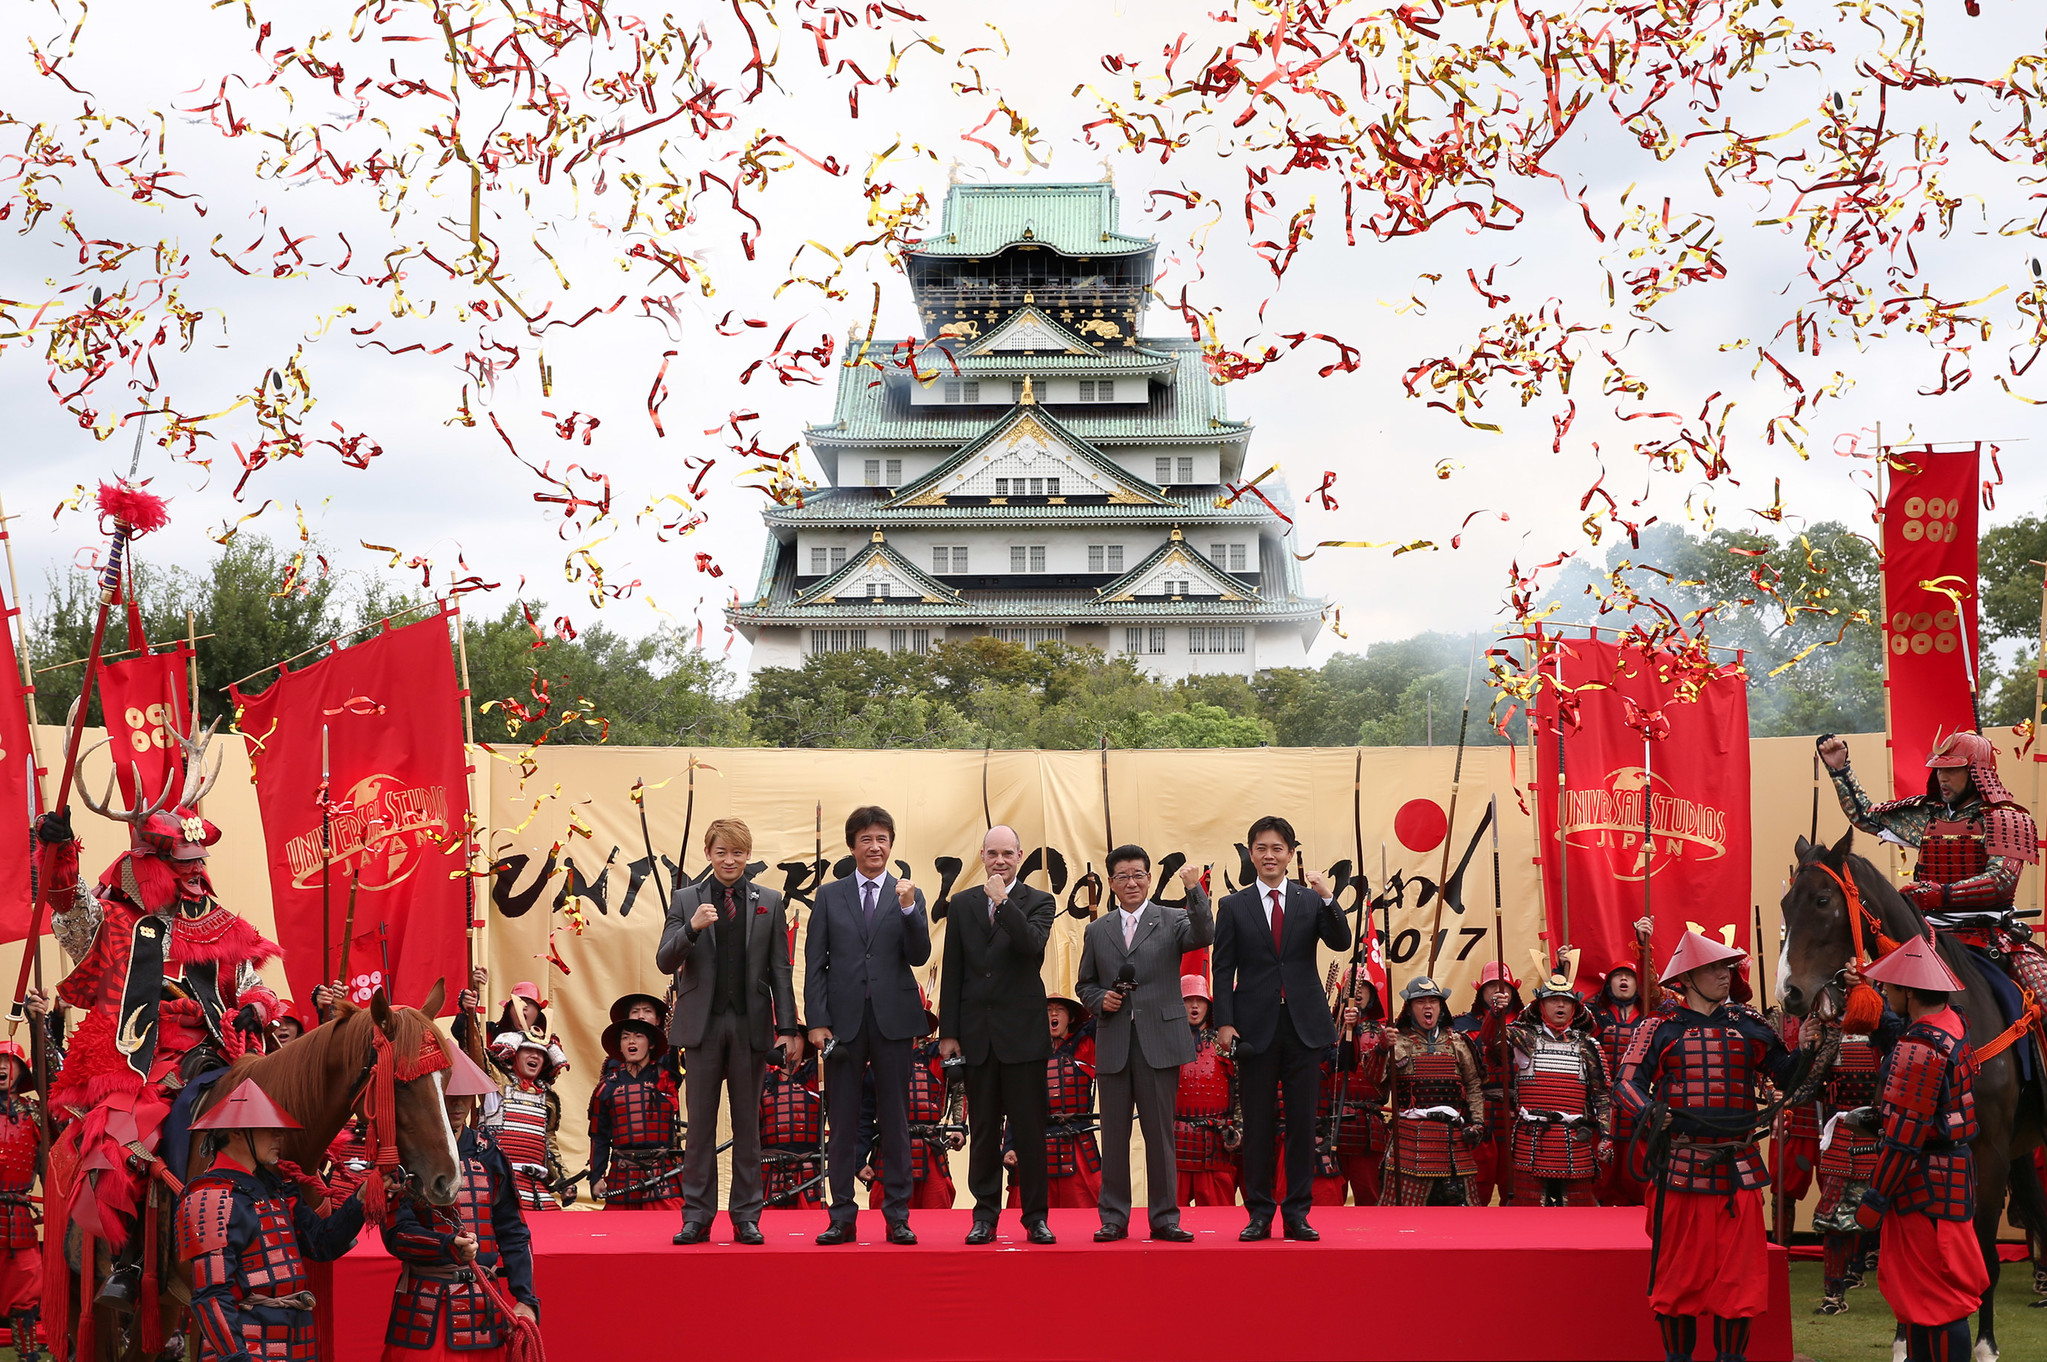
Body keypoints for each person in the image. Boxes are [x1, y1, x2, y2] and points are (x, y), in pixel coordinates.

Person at [36, 725, 285, 1298]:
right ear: (149, 865)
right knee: (121, 1140)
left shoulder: (226, 924)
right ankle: (127, 1261)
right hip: (141, 1059)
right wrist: (60, 854)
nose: (196, 874)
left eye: (200, 862)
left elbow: (255, 982)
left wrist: (256, 1006)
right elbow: (68, 913)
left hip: (222, 1053)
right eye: (183, 864)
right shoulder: (117, 919)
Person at [1616, 931, 1819, 1362]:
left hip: (1738, 1170)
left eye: (1727, 967)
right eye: (1713, 968)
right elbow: (1626, 1084)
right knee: (1677, 1279)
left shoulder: (1749, 1024)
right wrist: (1651, 1112)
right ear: (1687, 977)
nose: (1725, 975)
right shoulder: (1659, 1027)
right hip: (1680, 1169)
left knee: (1739, 1281)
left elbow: (1785, 1077)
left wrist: (1805, 1046)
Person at [655, 817, 803, 1246]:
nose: (730, 860)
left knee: (748, 1127)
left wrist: (788, 1027)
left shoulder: (769, 901)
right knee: (699, 1125)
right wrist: (692, 928)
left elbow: (781, 967)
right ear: (708, 854)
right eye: (721, 852)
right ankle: (697, 1216)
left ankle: (746, 1216)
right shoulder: (686, 899)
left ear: (748, 856)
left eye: (738, 852)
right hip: (701, 1026)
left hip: (750, 1024)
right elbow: (665, 960)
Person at [1820, 730, 2046, 1009]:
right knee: (1871, 1003)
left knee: (2043, 993)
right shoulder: (1927, 815)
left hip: (1989, 935)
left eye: (1951, 770)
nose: (1942, 778)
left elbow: (2001, 881)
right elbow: (1866, 816)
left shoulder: (2008, 817)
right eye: (1939, 769)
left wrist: (1941, 894)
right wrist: (1841, 770)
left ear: (1977, 772)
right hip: (1925, 936)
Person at [1847, 935, 1991, 1362]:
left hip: (1922, 1189)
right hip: (1948, 1178)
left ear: (1910, 991)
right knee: (1929, 1302)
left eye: (1890, 986)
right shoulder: (1954, 1022)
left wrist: (1875, 1196)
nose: (1884, 992)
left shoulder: (1920, 1045)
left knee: (1934, 1301)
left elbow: (1904, 1137)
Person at [1211, 816, 1351, 1241]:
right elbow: (1223, 969)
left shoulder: (1310, 901)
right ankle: (1258, 1212)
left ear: (1290, 853)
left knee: (1303, 1123)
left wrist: (1328, 896)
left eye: (1277, 848)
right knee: (1257, 1122)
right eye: (1260, 848)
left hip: (1304, 1026)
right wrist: (1225, 1023)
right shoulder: (1233, 906)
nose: (1268, 856)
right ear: (1250, 853)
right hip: (1253, 1029)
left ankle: (1297, 1213)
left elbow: (1341, 942)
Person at [804, 806, 931, 1246]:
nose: (874, 847)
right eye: (865, 839)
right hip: (842, 1024)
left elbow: (919, 955)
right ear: (852, 845)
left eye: (881, 839)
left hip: (894, 1021)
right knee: (840, 1121)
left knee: (896, 1119)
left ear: (891, 844)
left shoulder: (907, 893)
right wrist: (816, 1021)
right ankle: (841, 1215)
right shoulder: (830, 896)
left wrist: (911, 908)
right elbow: (814, 963)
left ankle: (897, 1214)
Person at [175, 1079, 367, 1362]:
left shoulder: (277, 1188)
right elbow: (211, 1295)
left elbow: (322, 1244)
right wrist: (235, 1357)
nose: (280, 1138)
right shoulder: (210, 1198)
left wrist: (363, 1198)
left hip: (295, 1345)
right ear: (238, 1131)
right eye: (271, 1130)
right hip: (246, 1349)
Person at [1078, 844, 1213, 1244]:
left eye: (1138, 874)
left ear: (1149, 879)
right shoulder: (1097, 930)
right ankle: (1114, 1218)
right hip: (1115, 1041)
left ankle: (1165, 1217)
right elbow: (1084, 983)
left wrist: (1196, 892)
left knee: (1159, 1134)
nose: (1131, 882)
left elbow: (1205, 933)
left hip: (1160, 1041)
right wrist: (1100, 999)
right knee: (1114, 1135)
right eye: (1122, 876)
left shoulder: (1171, 920)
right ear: (1112, 884)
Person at [938, 825, 1057, 1245]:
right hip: (976, 1035)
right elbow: (953, 970)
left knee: (1029, 1131)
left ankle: (1036, 1216)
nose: (1000, 861)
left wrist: (1003, 902)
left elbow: (1032, 946)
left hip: (1022, 1036)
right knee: (985, 1129)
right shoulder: (963, 904)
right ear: (982, 856)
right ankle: (984, 1215)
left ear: (1020, 856)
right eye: (993, 853)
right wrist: (948, 1032)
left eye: (1008, 853)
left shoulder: (1039, 901)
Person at [381, 1047, 539, 1360]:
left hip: (484, 1308)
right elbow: (398, 1233)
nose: (456, 1105)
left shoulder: (488, 1154)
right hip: (426, 1307)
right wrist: (446, 1245)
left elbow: (513, 1230)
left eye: (463, 1096)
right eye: (448, 1095)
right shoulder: (407, 1156)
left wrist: (526, 1298)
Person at [1504, 963, 1612, 1208]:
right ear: (1541, 1005)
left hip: (1575, 1139)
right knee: (1527, 1210)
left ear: (1575, 1006)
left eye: (1566, 1001)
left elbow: (1601, 1095)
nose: (1560, 1005)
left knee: (1579, 1213)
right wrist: (1496, 1014)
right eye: (1553, 1000)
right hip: (1531, 1139)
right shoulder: (1524, 1037)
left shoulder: (1587, 1045)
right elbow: (1493, 1040)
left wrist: (1606, 1136)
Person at [1381, 977, 1486, 1206]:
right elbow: (1376, 1082)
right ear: (1409, 1009)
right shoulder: (1395, 1042)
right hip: (1410, 1142)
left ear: (1441, 1007)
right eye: (1420, 1002)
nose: (1428, 1006)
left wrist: (1477, 1123)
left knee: (1465, 1217)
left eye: (1433, 1001)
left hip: (1454, 1141)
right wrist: (1381, 1050)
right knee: (1401, 1214)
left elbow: (1473, 1084)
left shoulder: (1458, 1042)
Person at [1809, 1023, 1884, 1315]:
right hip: (1842, 1134)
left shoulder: (1891, 1030)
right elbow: (1811, 1084)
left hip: (1884, 1134)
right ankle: (1833, 1295)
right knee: (1833, 1221)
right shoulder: (1832, 1033)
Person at [863, 992, 962, 1212]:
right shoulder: (875, 1059)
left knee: (937, 1221)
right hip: (888, 1149)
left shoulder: (939, 1056)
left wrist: (960, 1127)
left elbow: (960, 1087)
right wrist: (859, 1157)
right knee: (883, 1219)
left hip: (930, 1149)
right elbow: (864, 1111)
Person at [1589, 920, 1658, 1207]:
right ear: (1609, 984)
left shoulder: (1651, 1016)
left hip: (1638, 1104)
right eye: (1617, 976)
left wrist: (1644, 948)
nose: (1623, 980)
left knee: (1640, 1175)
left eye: (1629, 975)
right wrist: (1561, 972)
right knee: (1601, 1178)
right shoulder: (1594, 1017)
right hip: (1602, 1106)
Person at [587, 1008, 684, 1211]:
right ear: (619, 1047)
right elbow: (599, 1136)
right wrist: (596, 1177)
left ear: (651, 1044)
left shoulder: (666, 1078)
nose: (631, 1042)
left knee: (671, 1232)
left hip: (662, 1175)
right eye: (625, 1037)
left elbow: (678, 1055)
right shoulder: (606, 1087)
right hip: (622, 1175)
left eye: (638, 1036)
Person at [1014, 994, 1101, 1213]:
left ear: (1070, 1018)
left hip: (1077, 1143)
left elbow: (1102, 1020)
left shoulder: (1085, 1045)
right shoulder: (1025, 1052)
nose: (1052, 1014)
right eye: (1047, 1010)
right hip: (1035, 1142)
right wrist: (1009, 1145)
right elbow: (1015, 1104)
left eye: (1059, 1010)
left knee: (1086, 1217)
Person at [1313, 966, 1388, 1207]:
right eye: (1354, 989)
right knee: (1327, 1199)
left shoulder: (1384, 1033)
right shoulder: (1324, 1030)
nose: (1359, 994)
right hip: (1329, 1121)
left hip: (1367, 1126)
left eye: (1364, 988)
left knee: (1370, 1197)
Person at [1453, 961, 1525, 1205]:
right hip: (1478, 1113)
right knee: (1476, 1186)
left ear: (1513, 991)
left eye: (1503, 986)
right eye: (1491, 986)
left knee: (1517, 1189)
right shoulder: (1461, 1026)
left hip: (1517, 1115)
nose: (1497, 991)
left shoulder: (1528, 1024)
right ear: (1480, 991)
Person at [1173, 975, 1240, 1207]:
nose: (1194, 1006)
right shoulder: (1166, 1044)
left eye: (1199, 1000)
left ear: (1208, 1005)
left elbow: (1239, 1092)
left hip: (1216, 1145)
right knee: (1169, 1224)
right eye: (1188, 1000)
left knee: (1219, 1226)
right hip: (1176, 1143)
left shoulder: (1224, 1044)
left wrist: (1238, 1129)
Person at [480, 1032, 566, 1212]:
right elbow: (475, 1053)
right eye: (528, 1050)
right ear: (514, 1055)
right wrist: (469, 1012)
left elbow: (549, 1144)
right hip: (498, 1181)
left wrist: (563, 1180)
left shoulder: (548, 1099)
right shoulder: (496, 1083)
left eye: (541, 1053)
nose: (535, 1056)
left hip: (535, 1187)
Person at [0, 1042, 41, 1361]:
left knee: (26, 1291)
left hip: (19, 1218)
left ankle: (28, 1356)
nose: (2, 1066)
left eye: (8, 1061)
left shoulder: (34, 1113)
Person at [760, 1048, 826, 1212]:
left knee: (814, 1224)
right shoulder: (759, 1080)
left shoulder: (817, 1078)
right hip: (769, 1169)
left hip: (808, 1168)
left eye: (796, 1037)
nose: (789, 1044)